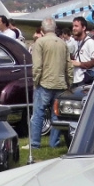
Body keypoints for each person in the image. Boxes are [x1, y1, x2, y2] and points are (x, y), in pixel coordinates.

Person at [30, 17, 72, 150]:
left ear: (42, 29)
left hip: (44, 82)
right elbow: (69, 65)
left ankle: (35, 143)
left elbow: (37, 66)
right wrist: (69, 82)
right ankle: (54, 142)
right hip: (60, 83)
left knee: (38, 114)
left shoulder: (40, 42)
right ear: (55, 29)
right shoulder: (62, 43)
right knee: (57, 115)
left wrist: (35, 81)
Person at [69, 17, 94, 87]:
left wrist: (79, 64)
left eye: (76, 26)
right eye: (73, 26)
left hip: (85, 81)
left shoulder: (90, 42)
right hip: (76, 79)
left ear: (83, 28)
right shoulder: (77, 42)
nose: (73, 28)